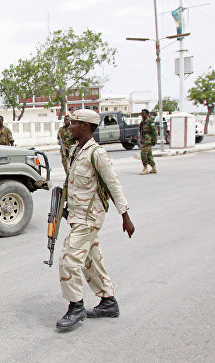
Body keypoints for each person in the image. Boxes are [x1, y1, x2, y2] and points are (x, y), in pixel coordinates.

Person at [55, 109, 135, 330]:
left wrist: (125, 216)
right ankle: (108, 302)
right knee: (91, 260)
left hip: (89, 218)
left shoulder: (97, 153)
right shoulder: (75, 150)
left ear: (86, 127)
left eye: (75, 123)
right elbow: (75, 184)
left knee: (69, 260)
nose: (70, 127)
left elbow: (113, 184)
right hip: (77, 215)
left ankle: (76, 306)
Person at [139, 109, 157, 175]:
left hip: (149, 140)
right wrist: (141, 138)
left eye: (143, 114)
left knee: (143, 153)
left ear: (147, 114)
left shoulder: (150, 121)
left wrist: (154, 141)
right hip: (144, 140)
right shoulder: (142, 122)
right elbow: (141, 131)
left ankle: (145, 168)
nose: (142, 115)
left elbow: (154, 132)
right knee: (149, 154)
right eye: (141, 114)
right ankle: (153, 167)